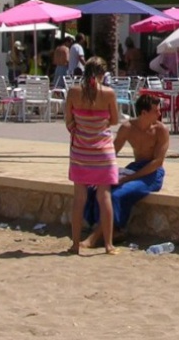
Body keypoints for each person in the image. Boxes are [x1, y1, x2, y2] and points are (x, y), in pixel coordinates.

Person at [83, 92, 170, 247]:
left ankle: (94, 237)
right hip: (135, 168)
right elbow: (112, 153)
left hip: (152, 173)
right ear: (144, 113)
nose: (159, 114)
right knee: (99, 189)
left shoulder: (161, 130)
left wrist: (129, 178)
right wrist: (101, 173)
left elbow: (157, 162)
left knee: (116, 195)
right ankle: (114, 231)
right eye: (156, 111)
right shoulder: (128, 128)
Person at [65, 57, 121, 255]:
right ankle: (108, 245)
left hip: (80, 151)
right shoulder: (108, 93)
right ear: (102, 74)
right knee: (104, 196)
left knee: (79, 198)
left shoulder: (73, 92)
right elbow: (114, 120)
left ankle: (75, 244)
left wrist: (81, 130)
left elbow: (68, 121)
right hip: (103, 152)